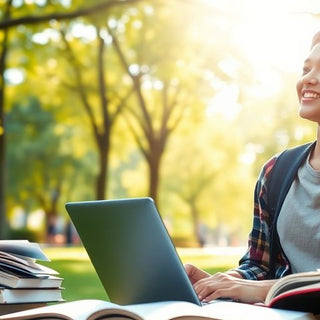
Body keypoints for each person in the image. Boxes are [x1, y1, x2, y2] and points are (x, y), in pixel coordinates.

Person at [185, 30, 320, 304]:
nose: (308, 79)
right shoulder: (276, 172)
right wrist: (224, 281)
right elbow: (259, 265)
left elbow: (266, 284)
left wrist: (264, 290)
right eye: (306, 69)